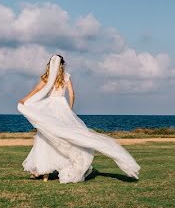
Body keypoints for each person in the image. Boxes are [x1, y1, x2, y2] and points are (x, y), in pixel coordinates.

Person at [17, 54, 140, 183]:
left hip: (50, 107)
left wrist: (25, 100)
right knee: (64, 137)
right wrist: (69, 109)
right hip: (62, 107)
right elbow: (72, 93)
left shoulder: (47, 77)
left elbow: (37, 89)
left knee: (46, 136)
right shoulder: (66, 77)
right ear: (62, 65)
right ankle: (48, 170)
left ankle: (43, 172)